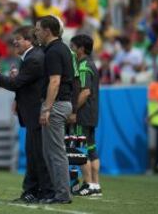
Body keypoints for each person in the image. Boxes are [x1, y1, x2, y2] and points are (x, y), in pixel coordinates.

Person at [0, 25, 52, 203]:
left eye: (18, 39)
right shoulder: (31, 58)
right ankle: (33, 191)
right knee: (33, 153)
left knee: (38, 154)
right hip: (31, 113)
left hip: (36, 113)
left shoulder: (34, 58)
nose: (14, 42)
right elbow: (25, 82)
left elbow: (17, 83)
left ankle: (44, 191)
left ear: (29, 40)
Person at [35, 15, 73, 204]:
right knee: (51, 151)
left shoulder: (54, 51)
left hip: (56, 104)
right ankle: (58, 192)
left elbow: (55, 81)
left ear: (47, 31)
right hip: (61, 103)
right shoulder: (61, 48)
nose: (36, 33)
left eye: (38, 30)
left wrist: (46, 108)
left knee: (55, 152)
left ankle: (62, 194)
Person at [68, 34, 102, 196]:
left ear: (81, 49)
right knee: (92, 149)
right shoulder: (92, 64)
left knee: (80, 151)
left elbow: (85, 91)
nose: (71, 50)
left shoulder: (82, 66)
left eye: (72, 47)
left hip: (83, 113)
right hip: (92, 113)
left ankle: (88, 184)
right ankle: (95, 185)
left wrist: (74, 110)